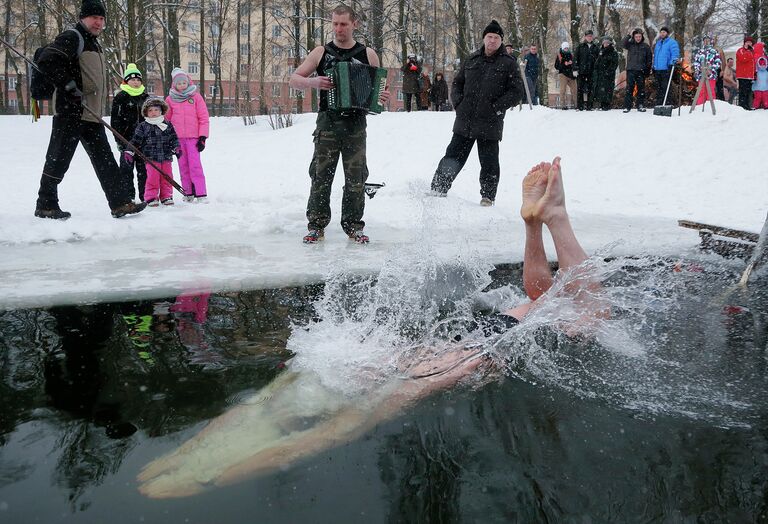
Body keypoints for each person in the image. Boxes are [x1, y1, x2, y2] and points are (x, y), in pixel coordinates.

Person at [136, 156, 604, 499]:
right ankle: (550, 220)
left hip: (466, 340)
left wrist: (531, 231)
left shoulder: (543, 308)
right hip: (473, 348)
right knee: (564, 312)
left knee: (317, 379)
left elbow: (542, 292)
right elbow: (578, 300)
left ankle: (540, 225)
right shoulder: (572, 320)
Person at [34, 0, 146, 220]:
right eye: (95, 18)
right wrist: (68, 84)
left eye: (102, 18)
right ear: (83, 18)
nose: (99, 22)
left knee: (105, 160)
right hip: (70, 112)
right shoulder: (72, 37)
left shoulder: (93, 42)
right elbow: (48, 61)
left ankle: (120, 203)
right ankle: (46, 204)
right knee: (58, 159)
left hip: (90, 113)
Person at [288, 4, 390, 244]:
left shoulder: (368, 53)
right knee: (321, 176)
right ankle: (316, 226)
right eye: (334, 23)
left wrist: (381, 98)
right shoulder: (321, 51)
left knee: (356, 178)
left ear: (354, 24)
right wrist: (314, 83)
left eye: (343, 24)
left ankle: (354, 226)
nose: (338, 29)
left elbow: (379, 91)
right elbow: (294, 79)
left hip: (356, 124)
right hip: (328, 123)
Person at [429, 20, 524, 206]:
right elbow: (457, 83)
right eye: (489, 37)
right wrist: (459, 103)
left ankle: (488, 197)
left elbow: (516, 92)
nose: (492, 41)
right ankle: (438, 188)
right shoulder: (472, 59)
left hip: (490, 122)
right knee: (453, 156)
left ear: (501, 41)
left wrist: (496, 108)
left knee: (489, 162)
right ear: (484, 38)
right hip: (465, 119)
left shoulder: (509, 63)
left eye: (496, 38)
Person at [123, 98, 180, 206]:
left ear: (161, 111)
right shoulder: (143, 126)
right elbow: (135, 140)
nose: (153, 112)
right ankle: (151, 197)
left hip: (166, 156)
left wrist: (176, 148)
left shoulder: (167, 124)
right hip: (151, 157)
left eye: (156, 110)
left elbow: (174, 138)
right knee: (152, 178)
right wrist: (129, 151)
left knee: (167, 177)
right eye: (150, 110)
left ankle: (166, 196)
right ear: (146, 112)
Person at [165, 68, 210, 203]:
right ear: (174, 85)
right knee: (183, 166)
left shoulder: (196, 97)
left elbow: (203, 118)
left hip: (193, 139)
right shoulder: (170, 99)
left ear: (188, 82)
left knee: (195, 166)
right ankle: (188, 192)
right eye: (179, 83)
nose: (182, 86)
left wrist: (202, 137)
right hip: (178, 140)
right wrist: (169, 139)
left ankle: (201, 193)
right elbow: (166, 120)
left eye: (184, 83)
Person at [111, 63, 149, 201]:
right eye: (132, 79)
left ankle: (145, 195)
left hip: (144, 142)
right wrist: (119, 140)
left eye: (138, 79)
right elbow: (115, 120)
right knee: (126, 170)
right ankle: (128, 196)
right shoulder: (121, 97)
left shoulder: (146, 97)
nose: (136, 82)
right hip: (126, 140)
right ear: (126, 81)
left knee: (143, 170)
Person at [622, 28, 652, 112]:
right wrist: (629, 35)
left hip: (641, 71)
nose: (638, 38)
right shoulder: (630, 45)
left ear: (642, 37)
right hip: (631, 70)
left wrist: (647, 70)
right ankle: (627, 106)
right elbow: (622, 43)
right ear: (634, 37)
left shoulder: (645, 46)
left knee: (641, 89)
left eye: (639, 36)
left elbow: (649, 59)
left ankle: (640, 105)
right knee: (629, 89)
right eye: (636, 37)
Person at [652, 26, 680, 107]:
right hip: (658, 69)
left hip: (666, 68)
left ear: (667, 33)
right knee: (659, 87)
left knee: (666, 87)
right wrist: (654, 66)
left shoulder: (672, 42)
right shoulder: (658, 43)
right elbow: (656, 55)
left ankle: (667, 103)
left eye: (664, 32)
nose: (662, 34)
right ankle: (659, 103)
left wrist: (671, 64)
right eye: (661, 32)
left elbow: (675, 54)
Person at [692, 35, 722, 105]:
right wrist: (699, 68)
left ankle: (710, 107)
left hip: (711, 75)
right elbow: (696, 62)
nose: (706, 42)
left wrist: (710, 69)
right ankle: (700, 106)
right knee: (701, 91)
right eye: (705, 40)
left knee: (710, 91)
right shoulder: (699, 52)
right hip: (701, 75)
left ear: (710, 41)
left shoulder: (714, 52)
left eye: (708, 40)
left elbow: (718, 63)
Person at [592, 36, 619, 111]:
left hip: (608, 75)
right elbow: (597, 62)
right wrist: (596, 68)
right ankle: (602, 104)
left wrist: (608, 72)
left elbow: (614, 64)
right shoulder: (601, 51)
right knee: (601, 90)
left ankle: (607, 105)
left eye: (607, 43)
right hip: (600, 74)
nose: (605, 44)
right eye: (604, 42)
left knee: (608, 89)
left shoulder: (613, 52)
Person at [574, 30, 599, 110]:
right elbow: (575, 58)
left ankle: (589, 106)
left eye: (591, 36)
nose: (589, 37)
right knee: (580, 89)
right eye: (588, 36)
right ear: (585, 37)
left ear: (592, 37)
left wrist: (597, 69)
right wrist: (575, 69)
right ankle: (580, 106)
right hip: (581, 71)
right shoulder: (580, 46)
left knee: (591, 89)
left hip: (591, 71)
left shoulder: (595, 47)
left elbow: (599, 59)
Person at [554, 41, 577, 109]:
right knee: (563, 90)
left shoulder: (571, 55)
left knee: (575, 90)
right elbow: (556, 66)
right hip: (563, 74)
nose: (566, 49)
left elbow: (575, 65)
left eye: (567, 48)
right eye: (565, 48)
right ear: (562, 48)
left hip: (571, 74)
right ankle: (563, 105)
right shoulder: (559, 55)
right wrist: (564, 64)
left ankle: (576, 105)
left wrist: (572, 64)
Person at [736, 37, 756, 110]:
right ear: (744, 43)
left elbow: (753, 64)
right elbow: (743, 58)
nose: (749, 43)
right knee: (743, 92)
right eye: (747, 42)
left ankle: (747, 106)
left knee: (748, 92)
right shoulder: (740, 50)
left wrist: (754, 73)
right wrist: (748, 51)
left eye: (750, 42)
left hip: (749, 76)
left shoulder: (751, 51)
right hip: (743, 76)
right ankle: (742, 107)